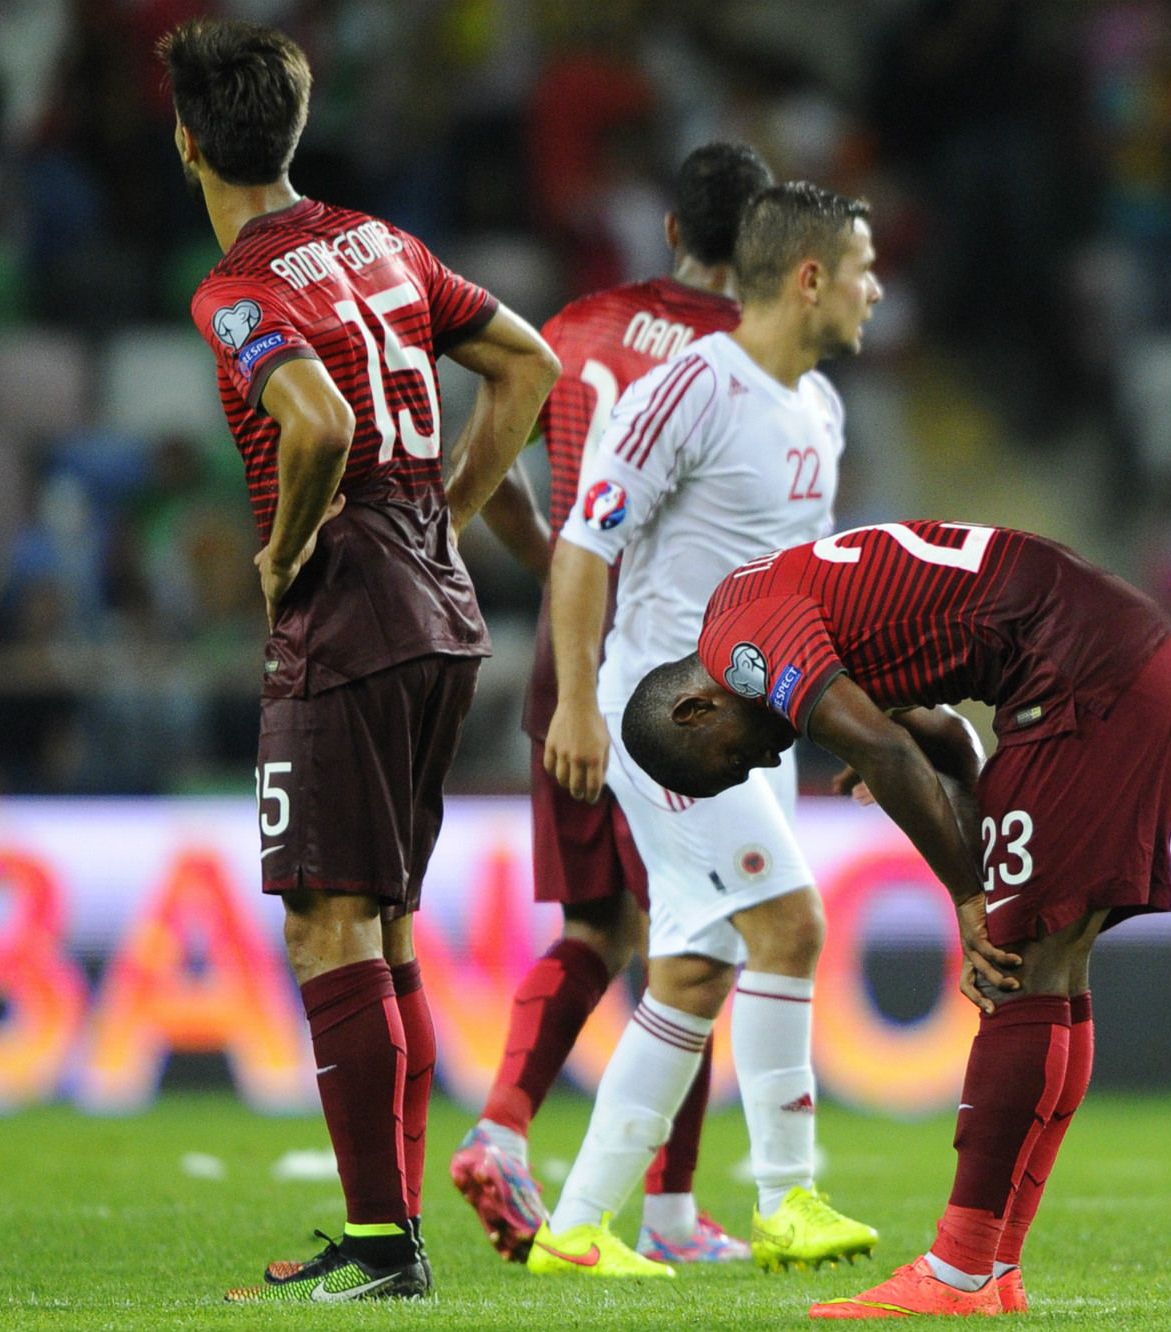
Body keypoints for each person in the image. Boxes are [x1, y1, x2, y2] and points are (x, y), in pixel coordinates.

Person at [161, 17, 560, 1303]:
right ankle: (388, 1236)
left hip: (346, 616)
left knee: (327, 924)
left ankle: (384, 1248)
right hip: (440, 607)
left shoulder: (236, 292)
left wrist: (284, 557)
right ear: (296, 123)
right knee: (381, 925)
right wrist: (447, 499)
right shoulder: (383, 242)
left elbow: (317, 422)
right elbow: (529, 362)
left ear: (186, 142)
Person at [618, 520, 1171, 1318]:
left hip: (1078, 671)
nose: (764, 762)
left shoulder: (745, 651)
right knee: (1054, 968)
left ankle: (956, 1273)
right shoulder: (751, 603)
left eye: (733, 761)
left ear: (694, 709)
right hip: (1124, 650)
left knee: (1020, 968)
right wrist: (955, 827)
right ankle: (993, 1269)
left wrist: (967, 897)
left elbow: (888, 753)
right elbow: (946, 740)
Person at [524, 182, 883, 1280]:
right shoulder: (691, 390)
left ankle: (578, 1229)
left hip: (742, 721)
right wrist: (580, 700)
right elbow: (586, 545)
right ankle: (790, 1198)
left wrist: (857, 728)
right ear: (810, 276)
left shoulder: (819, 407)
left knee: (695, 966)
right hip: (664, 709)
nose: (879, 291)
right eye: (865, 269)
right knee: (790, 927)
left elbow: (803, 590)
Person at [450, 141, 773, 1268]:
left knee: (601, 928)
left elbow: (478, 466)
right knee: (698, 933)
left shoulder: (579, 323)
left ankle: (501, 1127)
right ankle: (672, 1218)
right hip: (678, 683)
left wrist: (554, 562)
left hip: (566, 662)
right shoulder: (747, 356)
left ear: (672, 231)